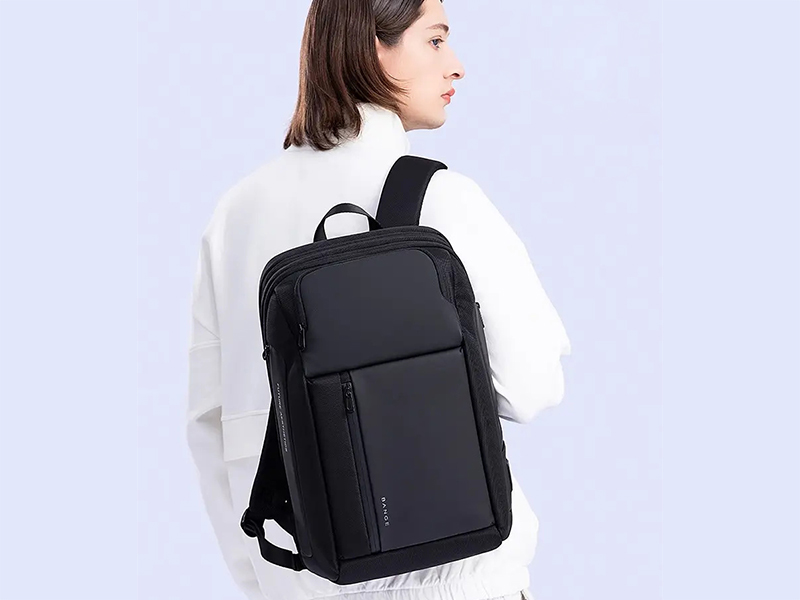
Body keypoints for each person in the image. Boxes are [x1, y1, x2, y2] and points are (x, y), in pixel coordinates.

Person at [185, 0, 571, 598]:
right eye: (435, 40)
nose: (456, 65)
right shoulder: (442, 198)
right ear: (372, 47)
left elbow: (210, 427)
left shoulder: (235, 214)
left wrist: (264, 583)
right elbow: (533, 386)